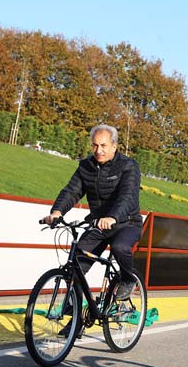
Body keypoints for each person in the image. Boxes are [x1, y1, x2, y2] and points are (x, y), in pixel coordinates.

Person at [42, 124, 142, 302]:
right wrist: (57, 212)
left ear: (114, 146)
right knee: (76, 264)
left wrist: (112, 217)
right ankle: (74, 312)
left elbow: (128, 196)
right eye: (95, 145)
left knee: (119, 247)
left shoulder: (128, 166)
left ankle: (127, 280)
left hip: (126, 223)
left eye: (103, 146)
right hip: (98, 225)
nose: (98, 150)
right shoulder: (86, 166)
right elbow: (72, 191)